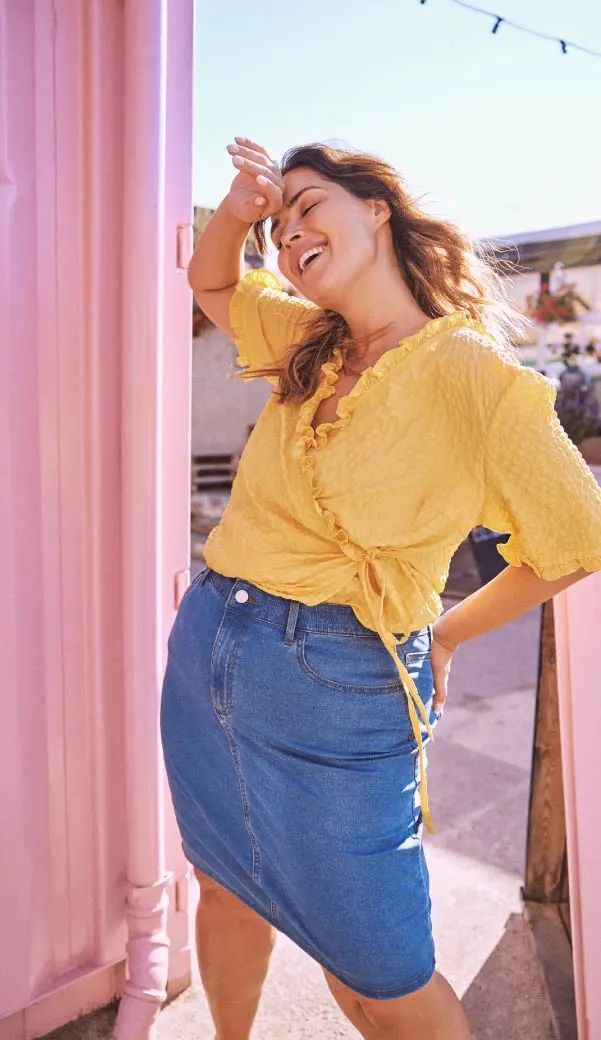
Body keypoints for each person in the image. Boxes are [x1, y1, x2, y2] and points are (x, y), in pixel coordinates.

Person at [161, 138, 601, 1040]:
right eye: (280, 228)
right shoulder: (307, 339)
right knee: (221, 880)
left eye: (307, 207)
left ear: (376, 209)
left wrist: (447, 632)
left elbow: (577, 537)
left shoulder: (470, 372)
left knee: (379, 975)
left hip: (340, 689)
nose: (289, 235)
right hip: (208, 644)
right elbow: (211, 283)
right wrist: (239, 216)